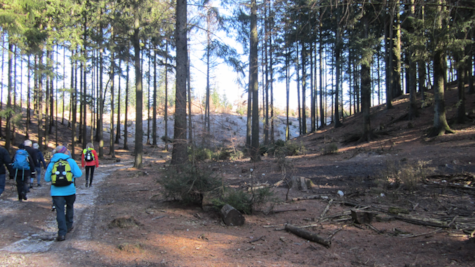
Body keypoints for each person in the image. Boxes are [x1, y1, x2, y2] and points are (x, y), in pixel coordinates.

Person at [44, 145, 82, 241]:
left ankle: (61, 233)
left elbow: (47, 179)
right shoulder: (71, 161)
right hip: (70, 190)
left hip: (56, 192)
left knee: (59, 211)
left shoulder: (52, 163)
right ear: (65, 152)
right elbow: (79, 174)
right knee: (69, 207)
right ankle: (69, 225)